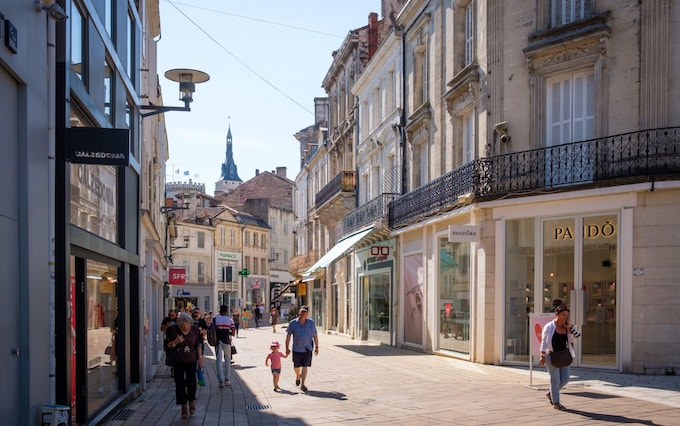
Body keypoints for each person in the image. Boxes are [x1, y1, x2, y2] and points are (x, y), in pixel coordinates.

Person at [539, 304, 580, 411]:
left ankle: (551, 393)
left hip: (563, 355)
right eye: (563, 315)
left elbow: (573, 339)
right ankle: (556, 402)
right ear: (556, 314)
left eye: (566, 315)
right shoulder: (549, 327)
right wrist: (542, 355)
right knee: (555, 379)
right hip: (550, 355)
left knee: (565, 378)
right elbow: (543, 341)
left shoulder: (567, 326)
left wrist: (570, 330)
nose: (565, 317)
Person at [166, 312, 204, 419]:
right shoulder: (174, 330)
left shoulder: (195, 330)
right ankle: (183, 406)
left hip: (192, 359)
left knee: (191, 381)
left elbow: (198, 345)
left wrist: (200, 358)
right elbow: (168, 345)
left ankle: (191, 401)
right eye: (182, 324)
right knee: (180, 383)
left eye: (187, 324)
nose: (185, 326)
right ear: (179, 323)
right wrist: (176, 341)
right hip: (178, 359)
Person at [285, 305, 318, 393]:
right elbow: (288, 335)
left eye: (305, 312)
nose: (303, 313)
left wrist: (317, 347)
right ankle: (297, 375)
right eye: (302, 311)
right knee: (296, 366)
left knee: (305, 366)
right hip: (296, 349)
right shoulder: (293, 323)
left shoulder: (311, 323)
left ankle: (303, 384)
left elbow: (315, 335)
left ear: (307, 314)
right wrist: (287, 348)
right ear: (299, 312)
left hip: (307, 348)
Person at [213, 305, 235, 387]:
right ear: (226, 311)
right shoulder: (230, 320)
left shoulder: (215, 319)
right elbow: (233, 333)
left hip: (217, 342)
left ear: (219, 311)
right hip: (226, 341)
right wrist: (227, 332)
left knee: (218, 360)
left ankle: (221, 381)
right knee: (227, 360)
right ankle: (227, 379)